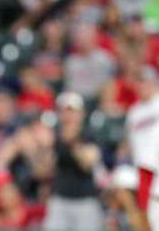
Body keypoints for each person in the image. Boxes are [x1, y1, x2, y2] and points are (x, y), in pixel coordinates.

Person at [43, 92, 103, 231]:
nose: (69, 116)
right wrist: (45, 148)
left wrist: (72, 142)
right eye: (64, 111)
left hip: (85, 201)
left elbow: (88, 163)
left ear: (82, 114)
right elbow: (43, 170)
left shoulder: (89, 134)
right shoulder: (54, 137)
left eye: (73, 112)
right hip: (59, 200)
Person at [126, 66, 159, 229]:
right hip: (148, 173)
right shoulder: (134, 112)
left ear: (155, 83)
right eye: (140, 82)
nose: (143, 86)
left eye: (146, 82)